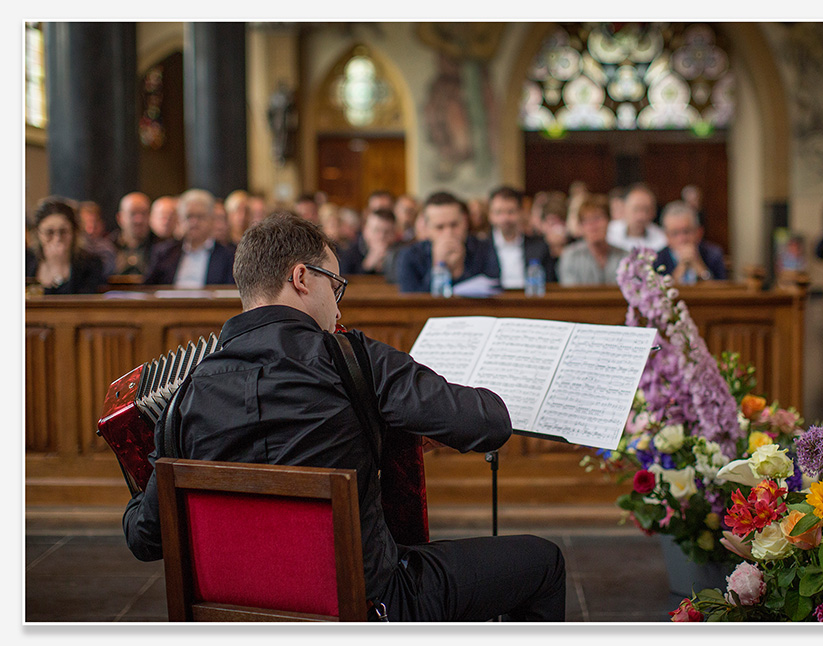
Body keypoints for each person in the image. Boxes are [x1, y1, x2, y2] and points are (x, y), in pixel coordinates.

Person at [122, 212, 565, 622]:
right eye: (334, 287)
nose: (338, 308)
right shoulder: (354, 360)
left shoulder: (185, 398)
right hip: (367, 607)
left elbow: (144, 538)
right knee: (544, 564)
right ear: (301, 278)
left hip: (238, 617)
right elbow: (488, 424)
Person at [397, 191, 499, 293]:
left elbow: (494, 290)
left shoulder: (485, 249)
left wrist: (459, 270)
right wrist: (438, 268)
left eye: (454, 225)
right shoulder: (410, 255)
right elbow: (411, 298)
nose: (448, 233)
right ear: (427, 228)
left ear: (465, 221)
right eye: (440, 227)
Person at [143, 188, 235, 287]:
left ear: (212, 220)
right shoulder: (164, 253)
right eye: (189, 216)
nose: (194, 222)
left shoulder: (228, 256)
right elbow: (147, 289)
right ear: (180, 219)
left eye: (200, 216)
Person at [26, 196, 104, 294]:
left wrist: (59, 267)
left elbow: (81, 300)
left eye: (63, 232)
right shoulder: (26, 260)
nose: (57, 239)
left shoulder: (91, 264)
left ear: (74, 232)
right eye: (49, 232)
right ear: (38, 233)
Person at [485, 186, 556, 289]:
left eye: (511, 212)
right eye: (499, 212)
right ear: (490, 215)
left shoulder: (539, 247)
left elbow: (549, 285)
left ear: (521, 212)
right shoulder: (480, 248)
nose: (505, 218)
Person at [557, 195, 628, 286]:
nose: (593, 226)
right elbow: (570, 292)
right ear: (581, 227)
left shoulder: (624, 257)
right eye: (586, 221)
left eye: (597, 218)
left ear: (609, 221)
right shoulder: (570, 257)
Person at [653, 200, 727, 283]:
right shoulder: (657, 259)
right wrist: (681, 267)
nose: (682, 239)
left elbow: (721, 288)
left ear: (698, 232)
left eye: (686, 232)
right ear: (667, 236)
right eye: (675, 233)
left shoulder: (713, 254)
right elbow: (660, 289)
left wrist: (699, 266)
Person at [606, 183, 667, 253]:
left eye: (646, 210)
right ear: (624, 208)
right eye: (636, 209)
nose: (641, 216)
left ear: (654, 212)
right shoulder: (608, 233)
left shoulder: (662, 239)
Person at [110, 192, 160, 275]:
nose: (139, 220)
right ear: (120, 218)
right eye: (132, 214)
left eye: (144, 213)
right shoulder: (108, 246)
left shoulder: (163, 248)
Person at [338, 208, 399, 276]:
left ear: (394, 234)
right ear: (365, 230)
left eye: (387, 232)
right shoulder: (349, 253)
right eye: (376, 230)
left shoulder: (400, 253)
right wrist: (367, 265)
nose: (381, 236)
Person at [77, 200, 116, 278]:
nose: (90, 231)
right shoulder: (73, 250)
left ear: (102, 224)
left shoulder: (107, 249)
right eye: (85, 224)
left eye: (95, 225)